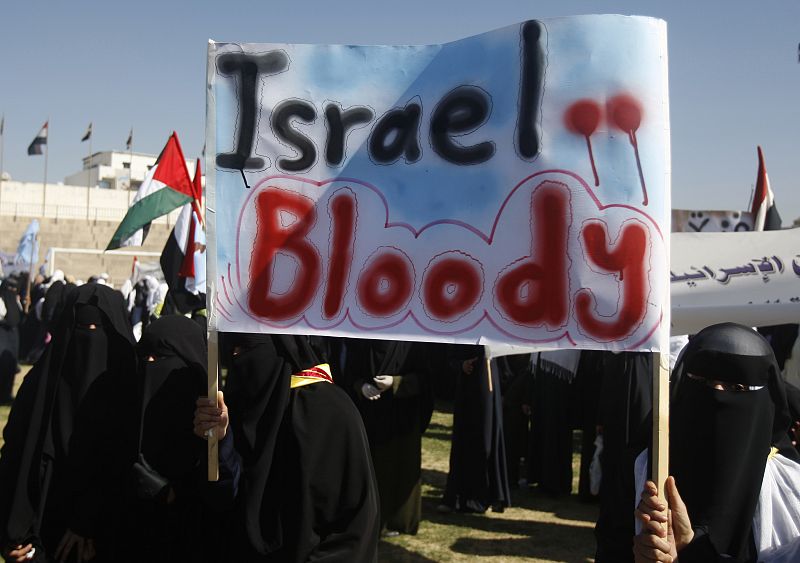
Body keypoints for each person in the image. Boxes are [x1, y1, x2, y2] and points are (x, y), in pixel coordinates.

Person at [195, 333, 379, 562]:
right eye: (233, 349)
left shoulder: (328, 411)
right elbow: (226, 498)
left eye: (248, 347)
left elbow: (355, 526)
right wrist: (220, 441)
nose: (237, 357)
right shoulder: (241, 407)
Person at [634, 323, 800, 562]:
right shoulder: (644, 468)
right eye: (703, 381)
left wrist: (691, 551)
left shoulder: (789, 486)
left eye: (736, 387)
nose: (717, 395)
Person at [0, 283, 136, 562]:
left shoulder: (132, 395)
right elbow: (14, 457)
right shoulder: (38, 389)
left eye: (99, 332)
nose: (89, 341)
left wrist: (87, 521)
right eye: (82, 330)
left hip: (107, 536)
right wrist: (10, 533)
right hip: (40, 536)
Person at [115, 315, 239, 563]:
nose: (149, 363)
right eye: (145, 355)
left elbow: (222, 494)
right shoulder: (121, 410)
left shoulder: (209, 424)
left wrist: (218, 441)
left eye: (161, 356)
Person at [344, 338, 431, 536]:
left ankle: (397, 520)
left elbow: (425, 379)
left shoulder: (412, 343)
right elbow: (350, 373)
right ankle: (369, 517)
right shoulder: (364, 341)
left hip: (402, 418)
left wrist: (396, 382)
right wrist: (361, 387)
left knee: (399, 467)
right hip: (369, 415)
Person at [440, 344, 511, 514]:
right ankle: (463, 496)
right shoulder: (463, 325)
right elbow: (450, 356)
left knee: (486, 442)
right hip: (467, 390)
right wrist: (461, 365)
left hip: (488, 383)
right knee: (466, 441)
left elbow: (505, 360)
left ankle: (485, 496)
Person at [0, 277, 22, 405]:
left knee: (10, 365)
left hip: (13, 337)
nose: (12, 291)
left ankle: (7, 393)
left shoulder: (14, 300)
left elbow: (16, 318)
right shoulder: (1, 301)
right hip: (2, 335)